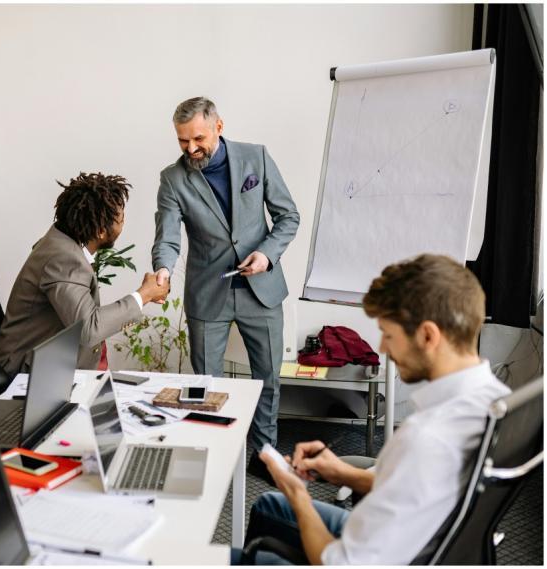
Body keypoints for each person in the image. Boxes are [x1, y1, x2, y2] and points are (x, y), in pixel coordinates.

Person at [238, 254, 511, 565]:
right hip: (431, 541)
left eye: (389, 334)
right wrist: (344, 473)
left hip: (384, 554)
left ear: (427, 335)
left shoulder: (425, 437)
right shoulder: (498, 400)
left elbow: (339, 564)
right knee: (269, 507)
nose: (382, 348)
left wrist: (298, 495)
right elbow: (424, 491)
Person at [151, 97, 300, 451]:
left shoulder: (256, 157)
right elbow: (167, 236)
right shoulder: (172, 180)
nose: (191, 148)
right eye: (183, 141)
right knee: (205, 385)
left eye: (198, 139)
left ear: (218, 126)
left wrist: (266, 254)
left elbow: (288, 216)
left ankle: (265, 453)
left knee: (268, 380)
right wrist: (162, 268)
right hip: (208, 294)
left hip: (260, 290)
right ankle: (211, 453)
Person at [0, 172, 169, 377]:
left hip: (51, 366)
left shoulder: (63, 242)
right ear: (101, 232)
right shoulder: (62, 258)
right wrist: (144, 294)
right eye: (121, 219)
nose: (123, 224)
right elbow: (89, 329)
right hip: (24, 376)